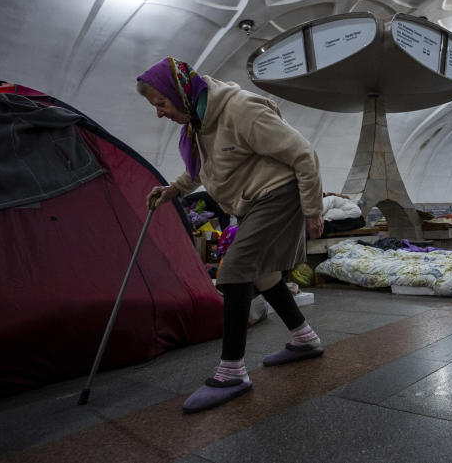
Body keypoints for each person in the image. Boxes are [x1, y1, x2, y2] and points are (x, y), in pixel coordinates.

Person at [136, 57, 324, 414]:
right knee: (264, 274)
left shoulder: (240, 110)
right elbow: (203, 169)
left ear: (179, 91)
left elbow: (303, 154)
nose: (159, 113)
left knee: (234, 270)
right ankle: (305, 339)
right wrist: (173, 189)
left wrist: (313, 208)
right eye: (155, 107)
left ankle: (232, 372)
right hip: (250, 203)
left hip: (278, 194)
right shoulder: (199, 122)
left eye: (160, 102)